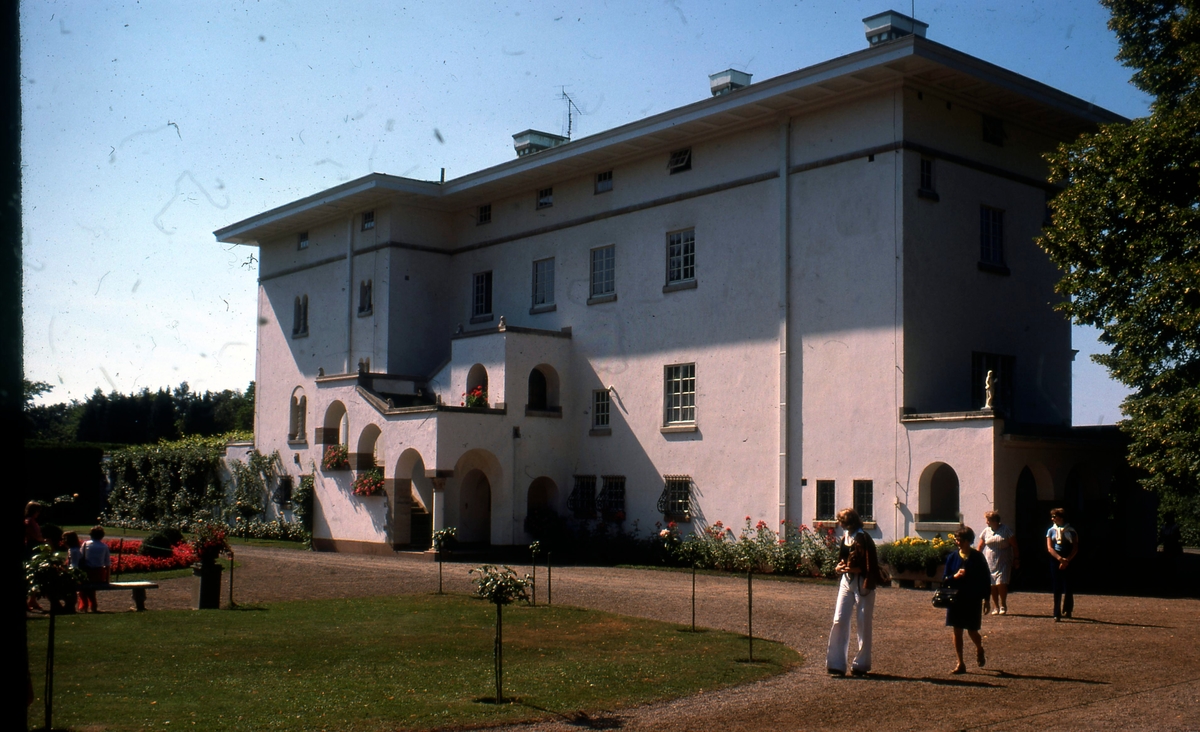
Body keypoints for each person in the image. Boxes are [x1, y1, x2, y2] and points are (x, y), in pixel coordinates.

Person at [826, 507, 886, 677]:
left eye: (842, 521)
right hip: (846, 581)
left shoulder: (863, 538)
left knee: (863, 623)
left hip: (862, 583)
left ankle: (861, 663)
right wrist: (839, 567)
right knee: (839, 619)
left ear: (850, 522)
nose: (840, 524)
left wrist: (855, 570)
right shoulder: (846, 537)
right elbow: (842, 559)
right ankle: (836, 663)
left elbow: (870, 565)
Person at [942, 526, 990, 674]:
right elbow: (944, 579)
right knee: (957, 631)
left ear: (968, 541)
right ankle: (960, 663)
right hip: (956, 599)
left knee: (972, 631)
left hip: (972, 598)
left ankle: (979, 648)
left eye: (961, 540)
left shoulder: (978, 557)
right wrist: (954, 577)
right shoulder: (952, 557)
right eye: (956, 540)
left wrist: (987, 599)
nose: (958, 543)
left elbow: (985, 579)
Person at [978, 511, 1019, 615]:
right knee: (992, 585)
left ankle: (1003, 604)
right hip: (989, 561)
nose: (987, 522)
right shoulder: (986, 531)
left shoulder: (1006, 530)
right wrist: (977, 558)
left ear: (994, 521)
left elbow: (1014, 545)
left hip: (1003, 561)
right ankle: (995, 606)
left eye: (988, 520)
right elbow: (980, 546)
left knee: (1001, 583)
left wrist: (1016, 559)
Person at [1046, 508, 1078, 621]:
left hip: (1068, 558)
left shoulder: (1071, 531)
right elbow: (1049, 547)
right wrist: (1060, 559)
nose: (1052, 519)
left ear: (1061, 517)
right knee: (1057, 586)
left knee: (1068, 585)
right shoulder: (1051, 531)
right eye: (1052, 517)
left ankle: (1068, 608)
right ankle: (1057, 612)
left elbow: (1075, 547)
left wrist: (1067, 560)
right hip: (1056, 558)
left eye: (1055, 517)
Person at [79, 526, 111, 612]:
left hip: (87, 573)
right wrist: (107, 580)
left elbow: (80, 557)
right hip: (99, 574)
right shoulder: (104, 546)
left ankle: (86, 606)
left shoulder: (85, 544)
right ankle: (93, 606)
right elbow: (107, 564)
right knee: (90, 589)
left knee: (85, 587)